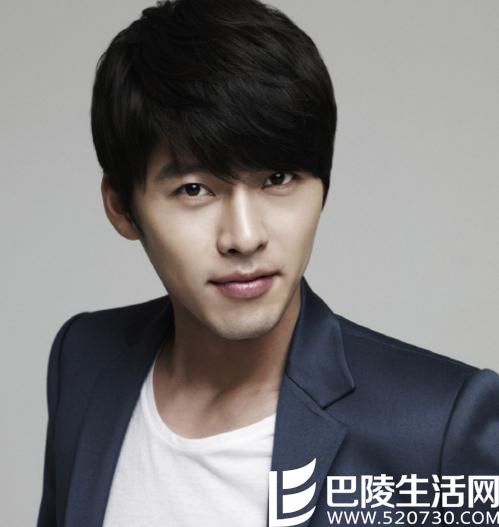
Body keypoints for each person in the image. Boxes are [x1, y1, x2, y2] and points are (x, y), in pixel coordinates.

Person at [36, 1, 499, 526]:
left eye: (277, 179)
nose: (245, 237)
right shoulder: (84, 360)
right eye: (194, 189)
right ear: (121, 207)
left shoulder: (438, 425)